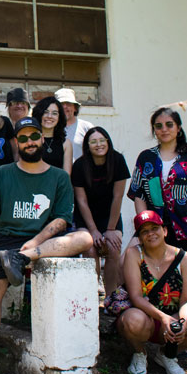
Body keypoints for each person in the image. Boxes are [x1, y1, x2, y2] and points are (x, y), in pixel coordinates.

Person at [0, 117, 91, 374]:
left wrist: (34, 244)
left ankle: (21, 259)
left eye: (34, 136)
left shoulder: (59, 177)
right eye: (22, 138)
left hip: (42, 243)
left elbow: (61, 220)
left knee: (84, 238)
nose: (29, 142)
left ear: (42, 139)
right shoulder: (4, 173)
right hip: (6, 239)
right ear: (17, 143)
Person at [128, 106, 187, 311]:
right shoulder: (146, 158)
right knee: (158, 278)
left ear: (178, 128)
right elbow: (138, 193)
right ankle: (163, 329)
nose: (164, 129)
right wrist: (144, 225)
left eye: (169, 125)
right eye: (158, 126)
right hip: (156, 230)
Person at [118, 211, 187, 374]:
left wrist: (181, 322)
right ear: (139, 237)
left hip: (172, 317)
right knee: (131, 320)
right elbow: (136, 297)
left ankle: (166, 354)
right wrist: (163, 318)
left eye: (155, 228)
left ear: (165, 231)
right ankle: (140, 353)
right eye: (144, 231)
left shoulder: (184, 258)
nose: (151, 234)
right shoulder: (134, 254)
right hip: (146, 318)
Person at [72, 126, 131, 297]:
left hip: (110, 216)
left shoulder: (118, 160)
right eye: (93, 141)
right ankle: (91, 295)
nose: (98, 145)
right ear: (87, 146)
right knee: (90, 249)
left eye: (102, 140)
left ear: (107, 142)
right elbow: (81, 201)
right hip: (86, 217)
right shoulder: (80, 166)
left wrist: (111, 229)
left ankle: (111, 296)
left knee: (112, 248)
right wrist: (93, 230)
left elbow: (118, 197)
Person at [31, 96, 72, 174]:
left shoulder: (66, 144)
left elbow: (66, 177)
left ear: (59, 117)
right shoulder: (30, 139)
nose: (49, 116)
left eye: (54, 113)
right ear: (39, 114)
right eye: (46, 112)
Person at [55, 88, 93, 162]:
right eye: (61, 104)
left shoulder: (86, 127)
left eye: (68, 104)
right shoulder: (50, 128)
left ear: (75, 108)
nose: (65, 107)